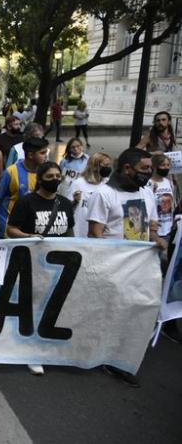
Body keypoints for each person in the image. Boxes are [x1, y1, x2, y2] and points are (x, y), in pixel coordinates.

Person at [87, 148, 165, 387]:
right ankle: (106, 356)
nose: (148, 173)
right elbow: (94, 234)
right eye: (144, 169)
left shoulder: (146, 193)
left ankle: (119, 356)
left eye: (150, 169)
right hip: (113, 267)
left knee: (134, 311)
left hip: (139, 267)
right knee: (111, 312)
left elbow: (151, 224)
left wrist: (155, 238)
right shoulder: (104, 194)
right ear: (128, 169)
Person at [6, 161, 75, 376]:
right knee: (29, 308)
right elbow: (10, 229)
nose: (55, 179)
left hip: (58, 266)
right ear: (40, 179)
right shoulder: (27, 202)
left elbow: (70, 232)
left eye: (58, 176)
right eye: (49, 176)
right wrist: (30, 237)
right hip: (30, 264)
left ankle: (40, 350)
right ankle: (26, 351)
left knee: (50, 308)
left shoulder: (64, 203)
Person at [0, 137, 49, 237]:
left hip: (33, 230)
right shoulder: (11, 172)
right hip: (8, 230)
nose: (46, 156)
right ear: (31, 155)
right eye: (42, 153)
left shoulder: (46, 173)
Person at [66, 152, 112, 238]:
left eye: (109, 165)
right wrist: (75, 201)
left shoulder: (108, 184)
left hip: (100, 233)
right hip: (80, 231)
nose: (108, 168)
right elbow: (66, 209)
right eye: (105, 165)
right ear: (95, 166)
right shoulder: (78, 183)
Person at [147, 153, 175, 249]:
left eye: (168, 165)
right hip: (155, 230)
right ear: (154, 166)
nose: (166, 168)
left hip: (168, 228)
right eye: (163, 165)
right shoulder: (149, 183)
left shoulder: (168, 182)